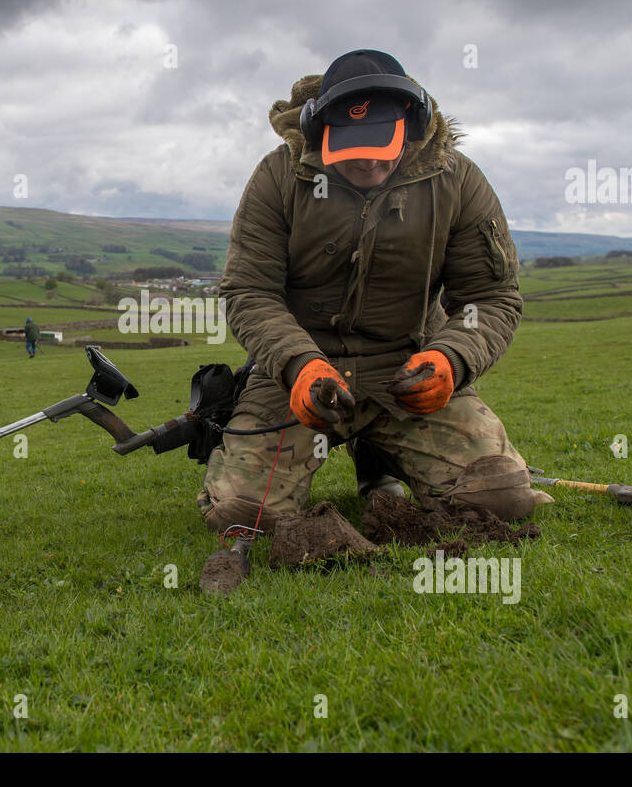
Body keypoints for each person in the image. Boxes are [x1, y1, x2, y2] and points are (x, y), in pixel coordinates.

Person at [197, 49, 552, 535]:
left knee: (499, 499)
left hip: (408, 373)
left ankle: (379, 449)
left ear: (413, 123)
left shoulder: (459, 180)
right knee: (244, 514)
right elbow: (249, 290)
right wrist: (297, 364)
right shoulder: (278, 177)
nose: (366, 161)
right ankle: (307, 448)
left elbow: (490, 299)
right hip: (302, 378)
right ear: (319, 130)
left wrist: (452, 359)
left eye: (379, 144)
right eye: (350, 147)